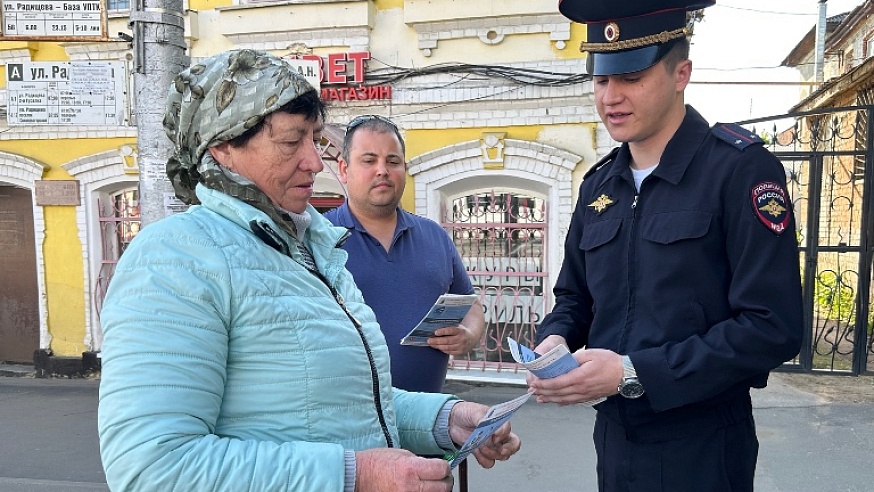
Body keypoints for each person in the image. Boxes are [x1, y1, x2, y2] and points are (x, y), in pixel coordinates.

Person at [97, 49, 520, 492]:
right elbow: (152, 467)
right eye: (290, 141)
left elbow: (344, 403)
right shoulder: (176, 258)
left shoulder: (309, 248)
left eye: (314, 140)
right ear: (223, 146)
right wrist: (358, 475)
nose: (315, 162)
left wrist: (445, 418)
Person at [527, 1, 804, 491]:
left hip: (702, 442)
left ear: (682, 74)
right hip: (615, 437)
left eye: (631, 77)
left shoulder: (738, 171)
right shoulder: (599, 186)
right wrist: (556, 340)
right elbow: (575, 297)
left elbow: (772, 326)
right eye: (600, 79)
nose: (610, 97)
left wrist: (635, 373)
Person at [324, 115, 485, 393]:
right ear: (343, 168)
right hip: (347, 424)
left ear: (405, 169)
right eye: (369, 160)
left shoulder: (434, 236)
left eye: (393, 161)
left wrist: (468, 335)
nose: (382, 170)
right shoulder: (320, 239)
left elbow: (471, 306)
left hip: (427, 421)